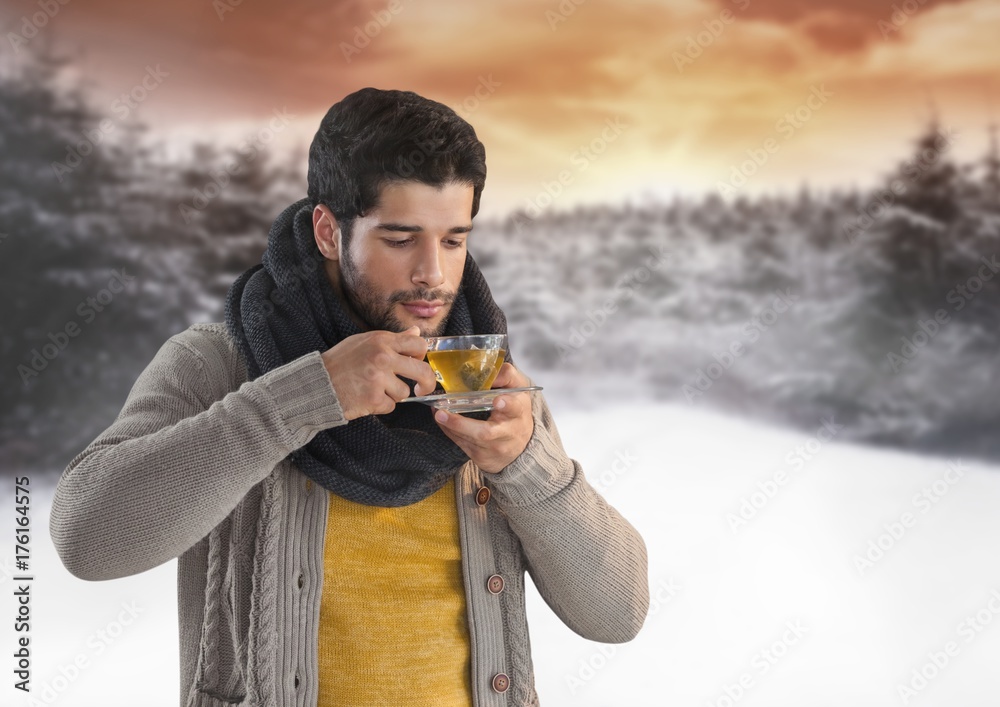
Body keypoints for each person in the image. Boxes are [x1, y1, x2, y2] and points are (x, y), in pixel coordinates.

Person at [49, 88, 649, 707]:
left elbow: (618, 615)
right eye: (400, 239)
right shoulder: (217, 364)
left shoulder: (487, 386)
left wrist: (526, 463)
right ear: (330, 231)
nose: (434, 275)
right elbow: (87, 541)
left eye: (453, 239)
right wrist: (306, 397)